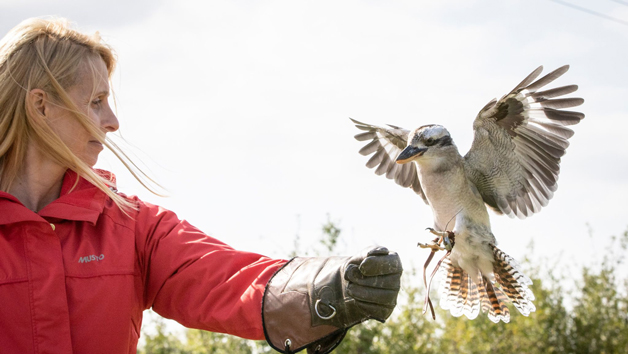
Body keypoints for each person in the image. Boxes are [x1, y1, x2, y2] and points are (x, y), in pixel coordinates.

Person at [0, 17, 403, 354]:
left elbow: (222, 278)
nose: (112, 121)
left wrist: (326, 287)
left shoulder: (131, 226)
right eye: (95, 101)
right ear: (41, 106)